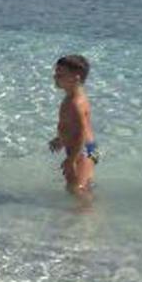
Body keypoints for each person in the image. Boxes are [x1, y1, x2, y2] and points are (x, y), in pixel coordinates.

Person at [48, 54, 99, 196]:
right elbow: (71, 126)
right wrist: (61, 138)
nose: (55, 77)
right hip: (87, 149)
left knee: (77, 190)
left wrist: (71, 160)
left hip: (82, 151)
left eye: (60, 75)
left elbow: (80, 133)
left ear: (76, 78)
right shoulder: (73, 97)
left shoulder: (75, 103)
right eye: (56, 73)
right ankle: (86, 206)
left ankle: (87, 210)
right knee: (82, 186)